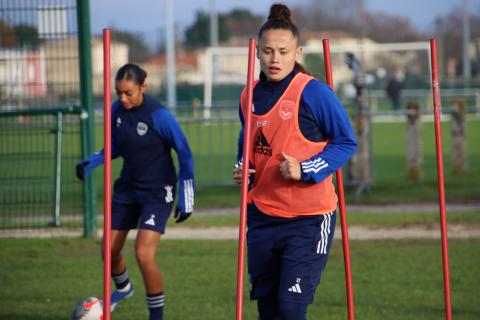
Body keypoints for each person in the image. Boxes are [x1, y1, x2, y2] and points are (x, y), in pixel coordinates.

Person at [232, 4, 357, 319]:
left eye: (283, 51)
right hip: (261, 216)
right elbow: (248, 137)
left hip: (309, 219)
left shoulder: (315, 92)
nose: (275, 58)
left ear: (297, 53)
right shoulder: (249, 95)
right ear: (258, 52)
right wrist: (242, 167)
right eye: (268, 51)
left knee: (291, 308)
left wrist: (306, 169)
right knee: (269, 308)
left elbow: (345, 141)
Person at [76, 63, 194, 320]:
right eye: (118, 92)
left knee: (143, 253)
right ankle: (124, 289)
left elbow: (185, 153)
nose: (122, 98)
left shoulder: (159, 115)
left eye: (128, 92)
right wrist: (92, 161)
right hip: (128, 188)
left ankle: (156, 316)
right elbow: (114, 146)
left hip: (157, 191)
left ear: (143, 87)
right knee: (108, 251)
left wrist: (187, 196)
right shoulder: (116, 109)